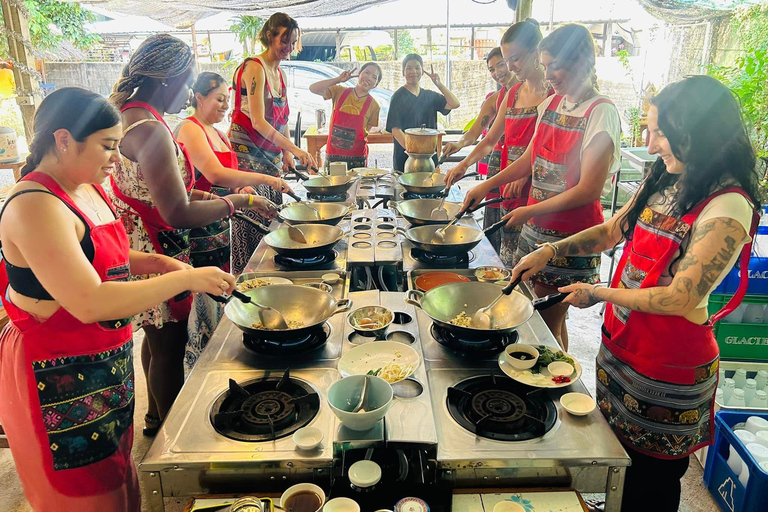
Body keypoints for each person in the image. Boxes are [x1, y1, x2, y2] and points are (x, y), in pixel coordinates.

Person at [511, 75, 761, 512]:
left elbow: (680, 298)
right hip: (622, 349)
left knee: (653, 483)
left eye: (661, 133)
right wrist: (551, 250)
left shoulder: (728, 204)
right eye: (648, 130)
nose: (650, 144)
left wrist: (599, 292)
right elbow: (611, 230)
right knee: (619, 466)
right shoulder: (665, 178)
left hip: (668, 369)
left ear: (699, 131)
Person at [0, 87, 237, 512]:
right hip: (57, 377)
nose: (116, 157)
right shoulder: (34, 205)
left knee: (120, 482)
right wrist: (192, 278)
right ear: (63, 139)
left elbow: (100, 253)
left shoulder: (84, 187)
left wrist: (158, 263)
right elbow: (90, 301)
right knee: (86, 498)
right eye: (107, 146)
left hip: (103, 366)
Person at [108, 34, 276, 436]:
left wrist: (236, 198)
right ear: (168, 79)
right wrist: (234, 204)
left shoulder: (129, 116)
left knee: (155, 337)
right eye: (186, 83)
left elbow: (166, 189)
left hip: (139, 242)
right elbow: (177, 211)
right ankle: (172, 435)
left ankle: (152, 419)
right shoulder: (150, 130)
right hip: (156, 247)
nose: (187, 93)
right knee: (169, 345)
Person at [461, 24, 621, 350]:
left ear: (581, 61)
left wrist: (529, 209)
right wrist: (486, 185)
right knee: (540, 321)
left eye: (555, 66)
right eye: (545, 66)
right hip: (536, 233)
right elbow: (529, 160)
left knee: (548, 322)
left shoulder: (600, 112)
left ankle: (559, 385)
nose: (548, 75)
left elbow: (589, 189)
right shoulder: (551, 104)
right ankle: (557, 378)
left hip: (571, 239)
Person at [175, 72, 293, 371]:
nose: (225, 106)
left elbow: (229, 177)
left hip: (221, 224)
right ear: (199, 97)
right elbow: (214, 175)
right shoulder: (189, 129)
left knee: (216, 295)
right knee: (198, 304)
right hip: (198, 227)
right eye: (219, 99)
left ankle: (210, 358)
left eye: (228, 100)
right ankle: (197, 369)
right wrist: (267, 179)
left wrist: (243, 190)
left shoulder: (219, 132)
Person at [447, 20, 550, 261]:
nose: (511, 67)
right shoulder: (513, 94)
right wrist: (462, 165)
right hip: (509, 185)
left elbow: (546, 147)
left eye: (515, 59)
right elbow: (490, 140)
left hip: (539, 189)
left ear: (536, 52)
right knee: (509, 256)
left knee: (533, 260)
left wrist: (525, 174)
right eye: (508, 59)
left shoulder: (554, 95)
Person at [229, 12, 317, 274]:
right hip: (247, 154)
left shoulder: (280, 73)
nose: (288, 49)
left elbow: (282, 119)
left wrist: (286, 152)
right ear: (270, 36)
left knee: (273, 216)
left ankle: (270, 275)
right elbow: (258, 121)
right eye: (284, 42)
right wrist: (294, 148)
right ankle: (249, 278)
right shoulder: (254, 67)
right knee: (252, 217)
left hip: (271, 155)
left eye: (292, 44)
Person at [441, 46, 516, 250]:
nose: (497, 72)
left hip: (520, 167)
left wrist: (464, 164)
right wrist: (459, 145)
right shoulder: (496, 99)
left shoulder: (535, 94)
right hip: (497, 164)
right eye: (491, 69)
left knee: (514, 225)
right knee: (495, 221)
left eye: (501, 64)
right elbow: (477, 135)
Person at [386, 53, 460, 172]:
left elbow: (454, 103)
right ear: (403, 72)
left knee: (430, 186)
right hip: (406, 158)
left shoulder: (430, 96)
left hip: (429, 157)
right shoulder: (398, 96)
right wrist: (414, 153)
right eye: (408, 68)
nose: (413, 71)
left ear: (422, 71)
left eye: (417, 67)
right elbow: (395, 129)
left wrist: (438, 83)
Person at [309, 62, 383, 170]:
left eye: (374, 77)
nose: (369, 78)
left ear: (376, 83)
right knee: (332, 185)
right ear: (359, 74)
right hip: (333, 158)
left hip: (357, 159)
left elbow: (365, 131)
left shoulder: (374, 106)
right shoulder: (339, 91)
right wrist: (338, 79)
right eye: (366, 72)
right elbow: (313, 88)